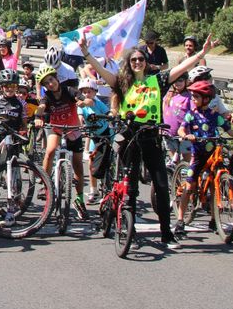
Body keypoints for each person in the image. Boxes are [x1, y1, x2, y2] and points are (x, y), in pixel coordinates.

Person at [81, 32, 216, 250]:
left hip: (152, 137)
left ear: (146, 62)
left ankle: (166, 234)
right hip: (129, 138)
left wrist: (203, 52)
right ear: (129, 63)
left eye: (141, 59)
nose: (137, 62)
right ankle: (129, 232)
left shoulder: (158, 80)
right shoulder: (123, 82)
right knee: (130, 187)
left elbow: (182, 69)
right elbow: (101, 71)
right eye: (133, 60)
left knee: (162, 186)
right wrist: (86, 53)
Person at [174, 81, 233, 236]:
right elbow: (181, 129)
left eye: (196, 96)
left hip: (212, 154)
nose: (193, 99)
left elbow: (230, 131)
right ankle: (180, 221)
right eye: (193, 96)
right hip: (198, 155)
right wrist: (186, 135)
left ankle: (214, 220)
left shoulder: (215, 116)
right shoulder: (191, 114)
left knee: (215, 185)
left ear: (206, 99)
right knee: (189, 188)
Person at [34, 64, 87, 218]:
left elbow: (85, 99)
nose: (50, 84)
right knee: (50, 151)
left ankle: (79, 199)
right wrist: (38, 117)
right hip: (55, 127)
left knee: (77, 165)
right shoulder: (47, 97)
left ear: (56, 78)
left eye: (51, 80)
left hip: (72, 128)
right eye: (46, 83)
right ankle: (46, 185)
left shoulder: (69, 90)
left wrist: (83, 102)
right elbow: (41, 107)